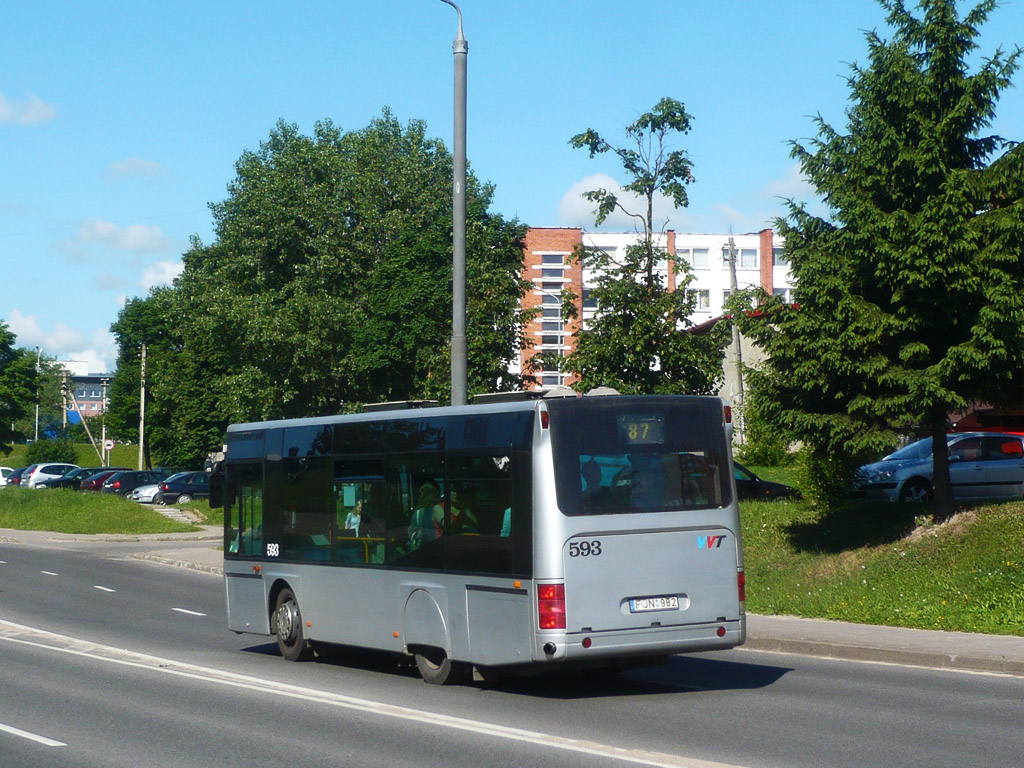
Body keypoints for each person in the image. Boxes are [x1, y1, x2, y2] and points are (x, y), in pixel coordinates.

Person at [409, 482, 444, 546]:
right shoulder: (437, 509)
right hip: (436, 545)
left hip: (422, 545)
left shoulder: (418, 512)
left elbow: (411, 531)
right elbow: (447, 525)